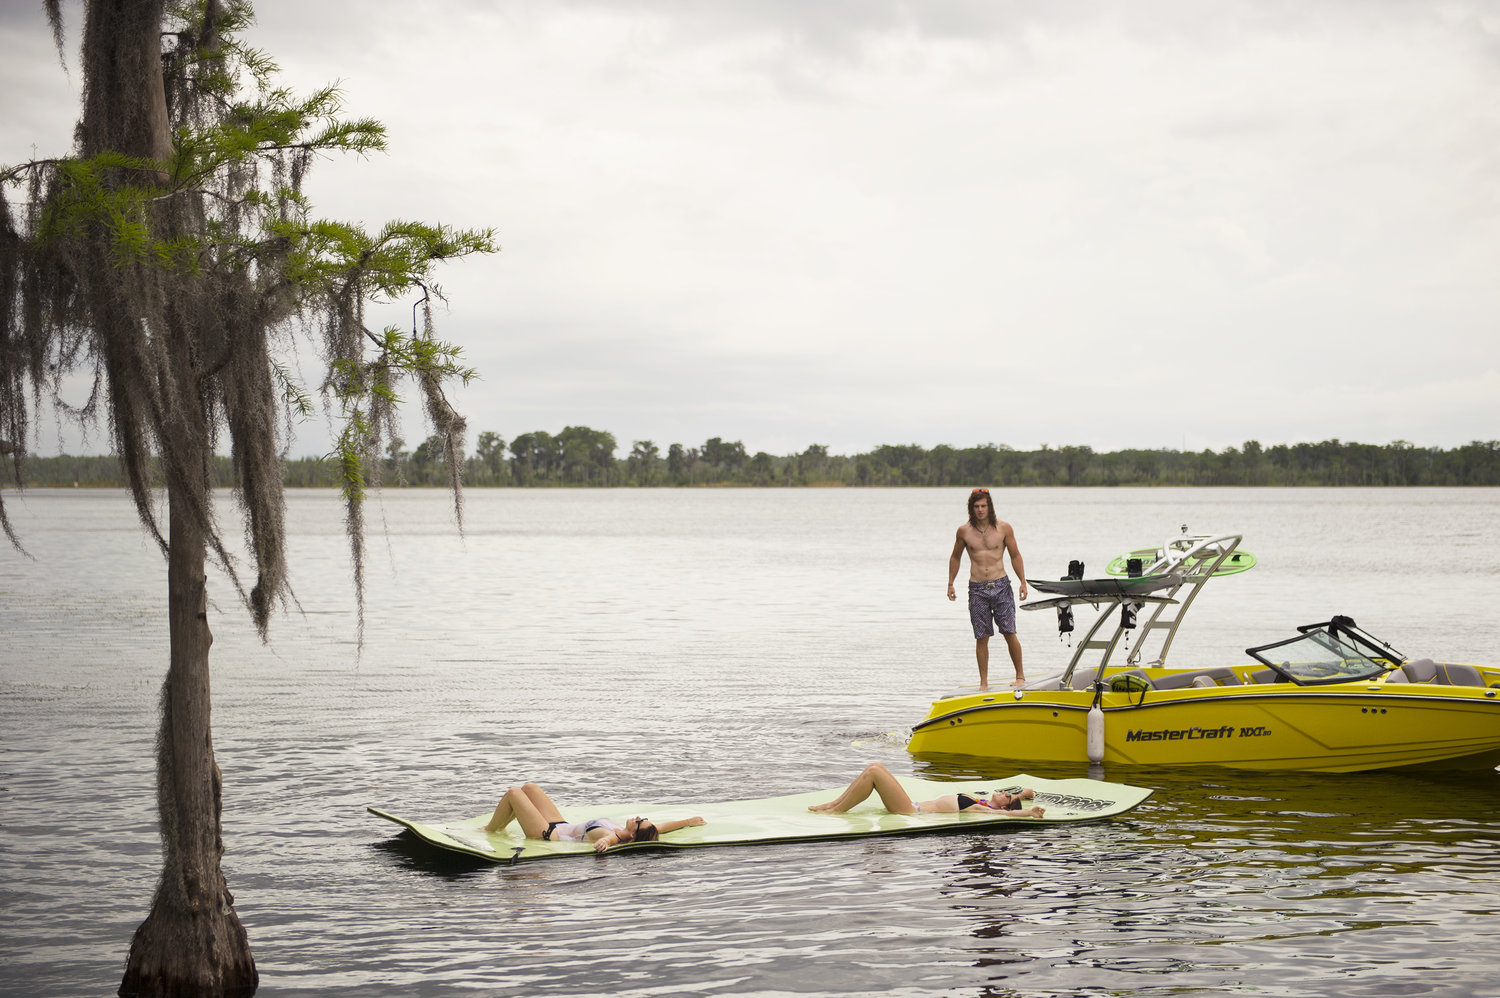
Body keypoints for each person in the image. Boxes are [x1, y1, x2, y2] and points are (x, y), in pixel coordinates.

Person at [947, 487, 1028, 689]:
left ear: (989, 507)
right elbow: (955, 556)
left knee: (1009, 632)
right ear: (971, 508)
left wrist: (1023, 582)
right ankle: (984, 683)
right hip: (977, 589)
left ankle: (1020, 676)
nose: (980, 510)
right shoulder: (964, 531)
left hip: (1001, 585)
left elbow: (1015, 555)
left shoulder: (1004, 528)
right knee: (982, 636)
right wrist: (950, 583)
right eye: (976, 506)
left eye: (983, 506)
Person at [483, 782, 706, 853]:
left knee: (514, 793)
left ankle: (491, 830)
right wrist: (688, 821)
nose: (638, 817)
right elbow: (660, 828)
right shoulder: (627, 830)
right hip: (560, 824)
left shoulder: (614, 836)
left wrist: (603, 844)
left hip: (546, 834)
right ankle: (501, 823)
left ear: (632, 833)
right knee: (529, 787)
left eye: (639, 821)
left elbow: (609, 841)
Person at [808, 763, 1044, 817]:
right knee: (874, 767)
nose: (1003, 792)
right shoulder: (982, 802)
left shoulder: (984, 810)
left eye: (1007, 796)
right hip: (913, 805)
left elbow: (1009, 814)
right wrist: (1023, 794)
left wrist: (1029, 812)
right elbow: (1014, 801)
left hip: (910, 810)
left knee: (874, 773)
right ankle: (833, 805)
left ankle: (836, 811)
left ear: (1003, 804)